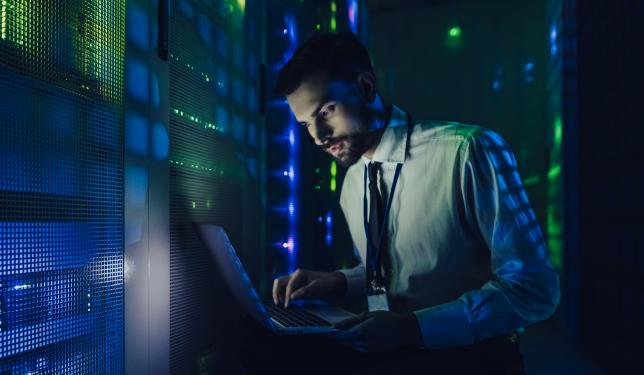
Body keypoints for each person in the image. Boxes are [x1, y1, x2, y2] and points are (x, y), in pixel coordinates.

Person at [233, 32, 560, 375]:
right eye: (305, 124)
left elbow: (535, 289)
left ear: (366, 87)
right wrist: (338, 282)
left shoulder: (467, 151)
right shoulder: (353, 179)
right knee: (253, 338)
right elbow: (393, 269)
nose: (317, 136)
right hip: (388, 347)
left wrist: (411, 327)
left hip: (472, 352)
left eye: (326, 111)